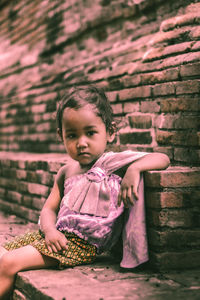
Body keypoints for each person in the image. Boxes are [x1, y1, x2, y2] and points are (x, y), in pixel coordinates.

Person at [0, 85, 170, 298]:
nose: (81, 143)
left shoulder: (113, 163)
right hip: (55, 236)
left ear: (110, 132)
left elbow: (163, 159)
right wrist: (50, 231)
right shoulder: (65, 171)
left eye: (90, 133)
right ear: (61, 135)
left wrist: (135, 168)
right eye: (72, 135)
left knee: (8, 262)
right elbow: (48, 210)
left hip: (78, 245)